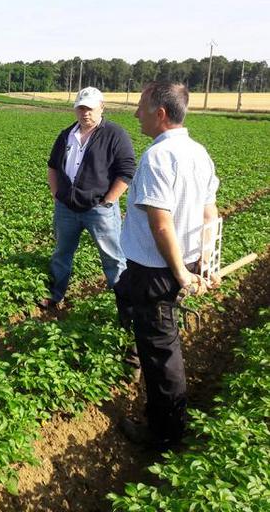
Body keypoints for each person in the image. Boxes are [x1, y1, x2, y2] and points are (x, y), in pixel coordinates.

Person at [115, 81, 220, 449]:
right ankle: (135, 355)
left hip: (156, 271)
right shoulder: (199, 152)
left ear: (160, 114)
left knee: (161, 353)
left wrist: (179, 274)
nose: (135, 113)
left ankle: (164, 433)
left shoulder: (157, 157)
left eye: (140, 106)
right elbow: (210, 214)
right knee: (140, 314)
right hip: (180, 262)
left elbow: (161, 224)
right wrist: (204, 264)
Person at [42, 86, 135, 308]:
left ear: (101, 108)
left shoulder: (115, 134)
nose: (85, 113)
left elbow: (127, 170)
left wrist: (109, 200)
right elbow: (53, 166)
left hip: (99, 209)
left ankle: (123, 303)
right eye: (81, 108)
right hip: (66, 208)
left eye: (90, 108)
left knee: (112, 257)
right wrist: (56, 194)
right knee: (61, 253)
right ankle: (56, 294)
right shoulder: (66, 135)